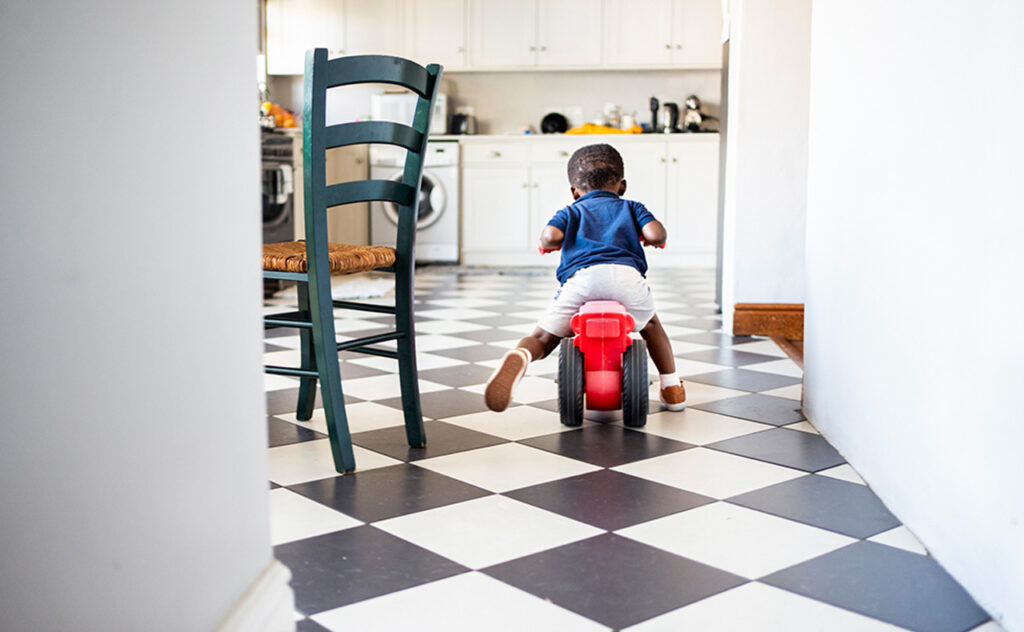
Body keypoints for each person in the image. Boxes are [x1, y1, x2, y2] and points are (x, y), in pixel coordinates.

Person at [484, 143, 687, 413]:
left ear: (574, 192)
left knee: (544, 336)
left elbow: (550, 236)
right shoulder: (632, 207)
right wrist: (647, 238)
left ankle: (521, 356)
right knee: (651, 326)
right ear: (622, 186)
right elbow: (656, 235)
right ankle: (671, 387)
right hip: (626, 279)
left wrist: (550, 244)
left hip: (582, 281)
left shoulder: (571, 211)